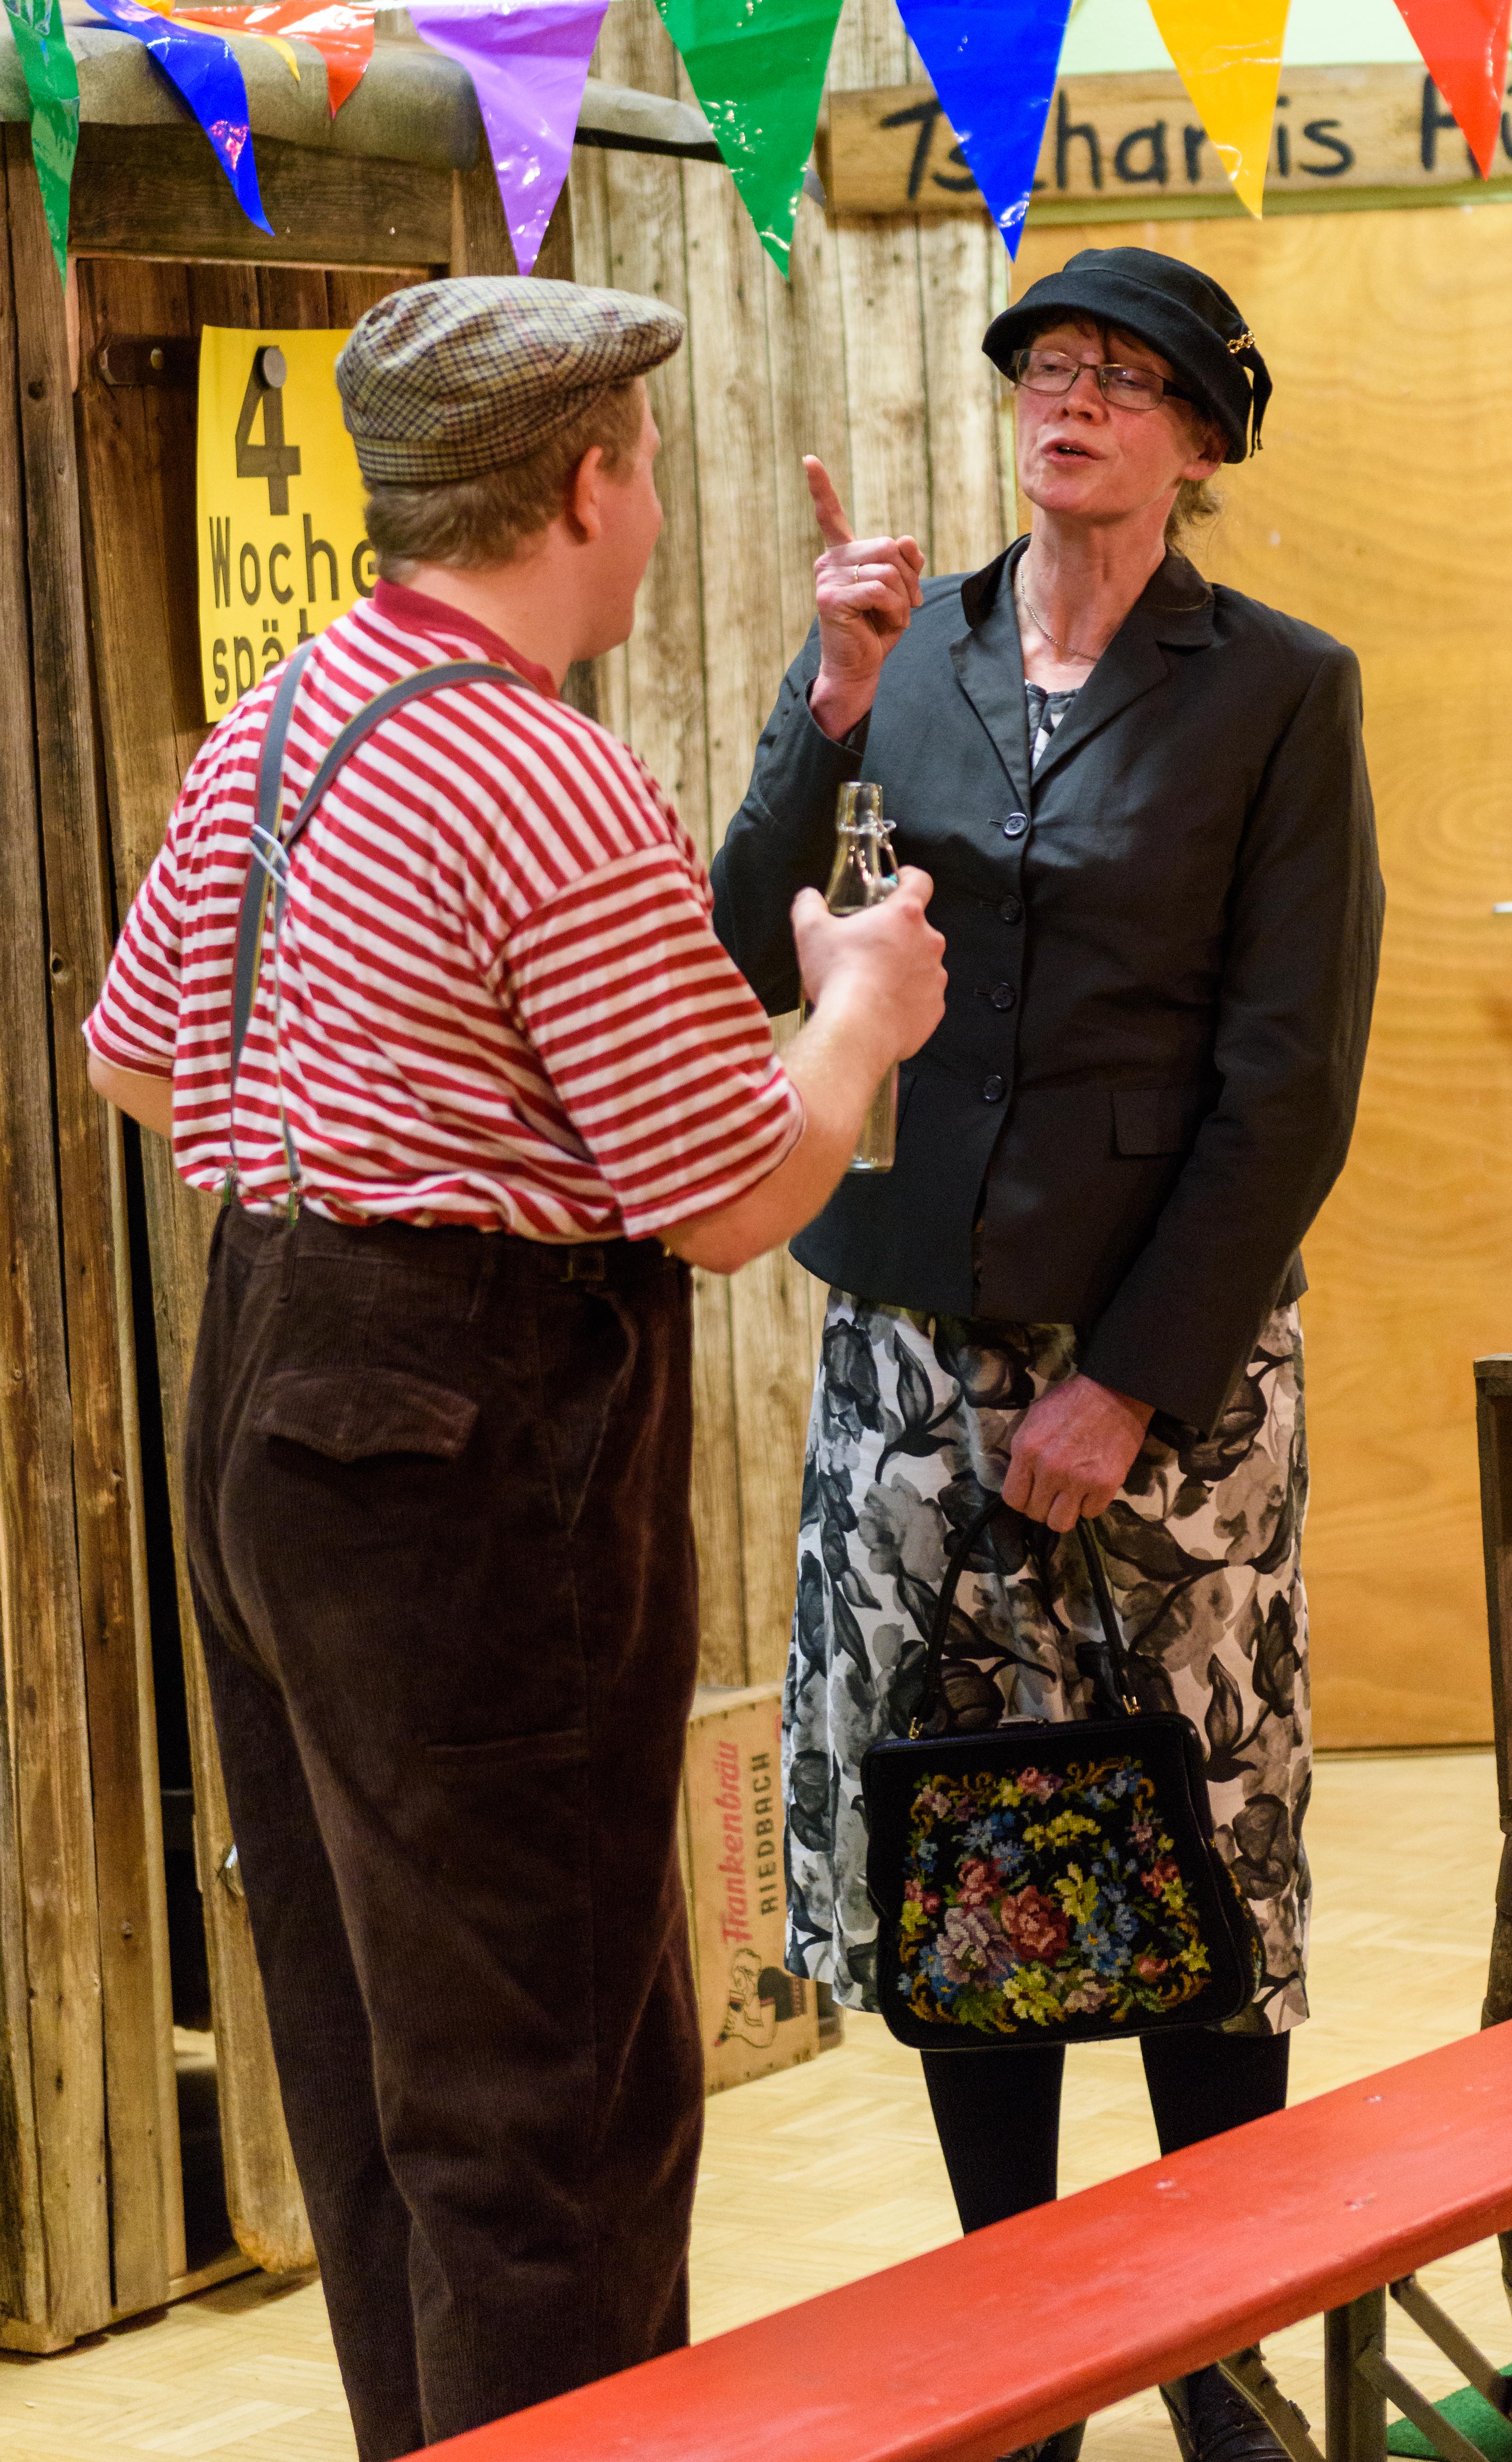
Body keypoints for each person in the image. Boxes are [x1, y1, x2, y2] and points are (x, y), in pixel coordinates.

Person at [84, 277, 946, 2459]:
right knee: (552, 2095)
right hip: (474, 1432)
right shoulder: (548, 771)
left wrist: (382, 1122)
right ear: (582, 483)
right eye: (641, 469)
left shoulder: (278, 721)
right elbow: (726, 1189)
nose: (648, 508)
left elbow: (138, 1066)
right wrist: (857, 1011)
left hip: (269, 1374)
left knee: (383, 2063)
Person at [712, 247, 1383, 2462]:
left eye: (1122, 377)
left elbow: (1287, 1078)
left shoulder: (1275, 689)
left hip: (1166, 1388)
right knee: (958, 1858)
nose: (1069, 401)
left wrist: (1131, 1379)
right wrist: (823, 706)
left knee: (1198, 1851)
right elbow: (746, 942)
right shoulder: (907, 651)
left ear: (1199, 437)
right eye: (1045, 368)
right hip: (912, 1365)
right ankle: (1018, 2371)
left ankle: (1220, 2357)